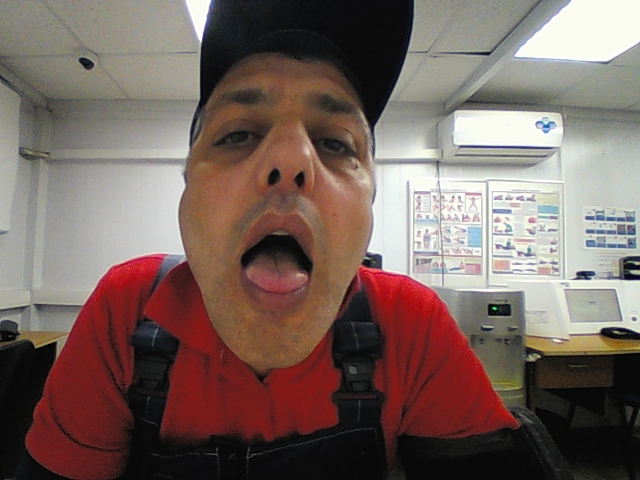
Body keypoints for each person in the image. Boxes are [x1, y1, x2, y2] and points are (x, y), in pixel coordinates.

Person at [17, 0, 518, 479]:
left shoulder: (411, 324)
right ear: (187, 185)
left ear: (370, 198)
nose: (291, 159)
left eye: (334, 143)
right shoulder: (126, 311)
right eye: (237, 135)